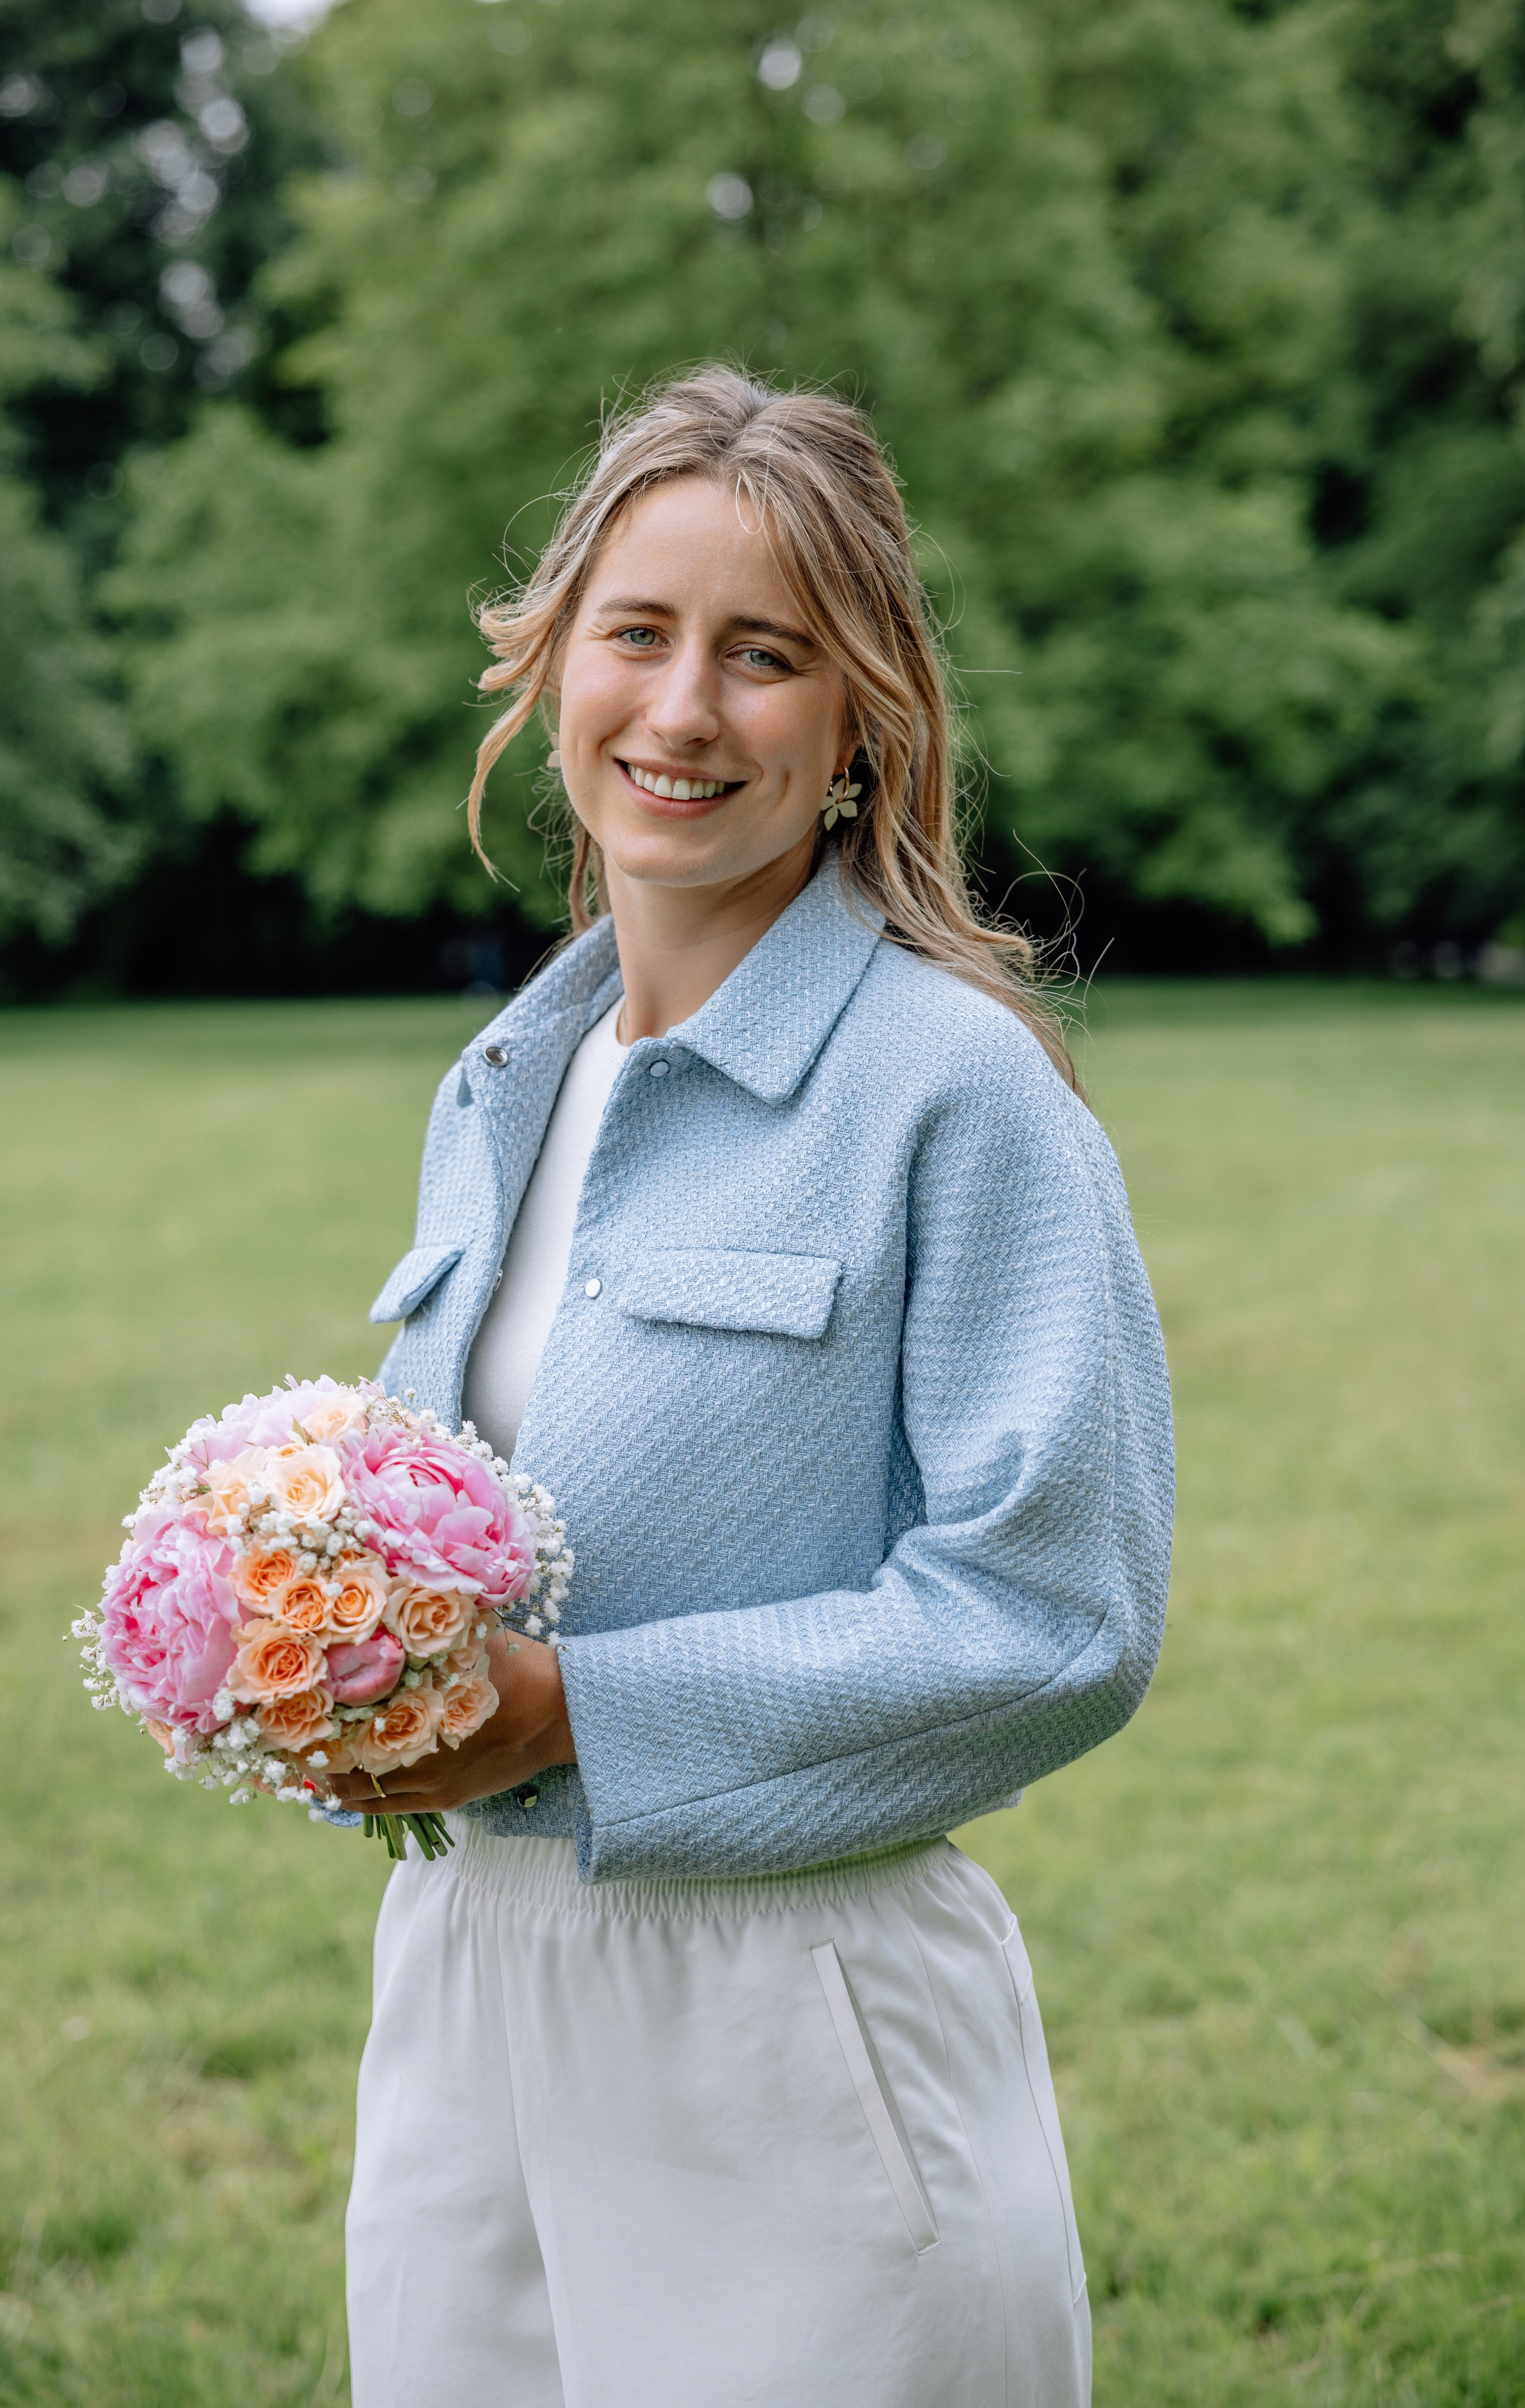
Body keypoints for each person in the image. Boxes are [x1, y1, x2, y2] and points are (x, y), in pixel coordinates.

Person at [332, 366, 1173, 2407]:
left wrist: (583, 1713)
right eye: (638, 632)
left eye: (764, 655)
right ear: (551, 666)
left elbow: (1059, 1617)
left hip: (795, 2024)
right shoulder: (505, 1080)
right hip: (466, 1992)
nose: (685, 709)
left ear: (861, 719)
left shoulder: (956, 1093)